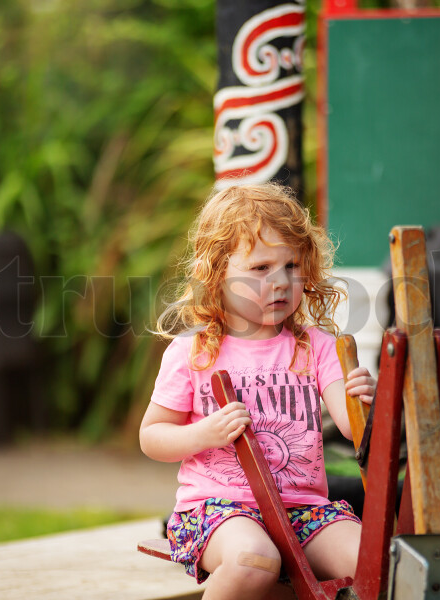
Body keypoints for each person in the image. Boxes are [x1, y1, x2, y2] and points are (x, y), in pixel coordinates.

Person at [140, 182, 376, 600]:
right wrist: (204, 434)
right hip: (217, 511)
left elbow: (356, 430)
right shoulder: (192, 353)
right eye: (261, 268)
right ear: (216, 274)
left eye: (291, 265)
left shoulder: (317, 347)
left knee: (373, 561)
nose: (281, 281)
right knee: (254, 560)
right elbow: (152, 436)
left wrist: (368, 403)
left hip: (304, 511)